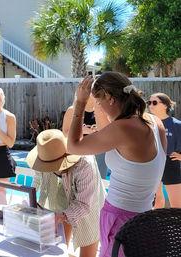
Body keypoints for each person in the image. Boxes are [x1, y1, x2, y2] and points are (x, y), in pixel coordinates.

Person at [67, 72, 166, 257]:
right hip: (144, 216)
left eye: (99, 102)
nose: (100, 108)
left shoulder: (123, 129)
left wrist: (79, 104)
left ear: (111, 98)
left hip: (120, 218)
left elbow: (72, 146)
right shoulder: (155, 123)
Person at [27, 129, 105, 257]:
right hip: (58, 198)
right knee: (60, 250)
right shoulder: (44, 155)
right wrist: (31, 199)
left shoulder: (85, 164)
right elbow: (37, 179)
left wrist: (62, 215)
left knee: (88, 248)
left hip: (89, 205)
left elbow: (84, 205)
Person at [62, 94, 109, 179]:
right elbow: (65, 134)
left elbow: (108, 132)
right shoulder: (72, 110)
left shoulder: (101, 111)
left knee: (101, 181)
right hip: (79, 152)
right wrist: (81, 130)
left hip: (99, 152)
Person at [148, 93, 181, 208]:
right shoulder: (147, 123)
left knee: (176, 205)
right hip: (153, 162)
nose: (151, 105)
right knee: (157, 201)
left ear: (165, 105)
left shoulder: (176, 125)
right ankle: (157, 226)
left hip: (170, 163)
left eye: (154, 102)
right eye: (149, 103)